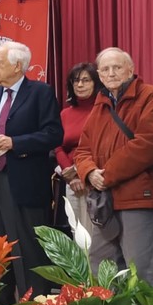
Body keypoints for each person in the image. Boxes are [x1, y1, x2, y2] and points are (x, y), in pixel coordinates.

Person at [0, 41, 62, 298]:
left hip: (25, 184)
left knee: (28, 252)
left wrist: (15, 143)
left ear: (17, 66)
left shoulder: (40, 93)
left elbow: (53, 134)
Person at [73, 48, 153, 283]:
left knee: (139, 268)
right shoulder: (100, 104)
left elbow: (146, 145)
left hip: (138, 197)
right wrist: (89, 172)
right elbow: (82, 150)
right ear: (99, 75)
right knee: (100, 266)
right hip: (105, 201)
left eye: (117, 67)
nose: (111, 73)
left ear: (130, 70)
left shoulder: (151, 96)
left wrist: (106, 175)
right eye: (105, 69)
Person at [55, 62, 99, 233]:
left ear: (96, 83)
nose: (80, 85)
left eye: (86, 80)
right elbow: (58, 146)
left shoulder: (103, 110)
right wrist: (70, 174)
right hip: (71, 181)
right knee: (77, 233)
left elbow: (102, 146)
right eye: (76, 81)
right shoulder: (65, 113)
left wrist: (81, 172)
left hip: (95, 178)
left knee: (95, 234)